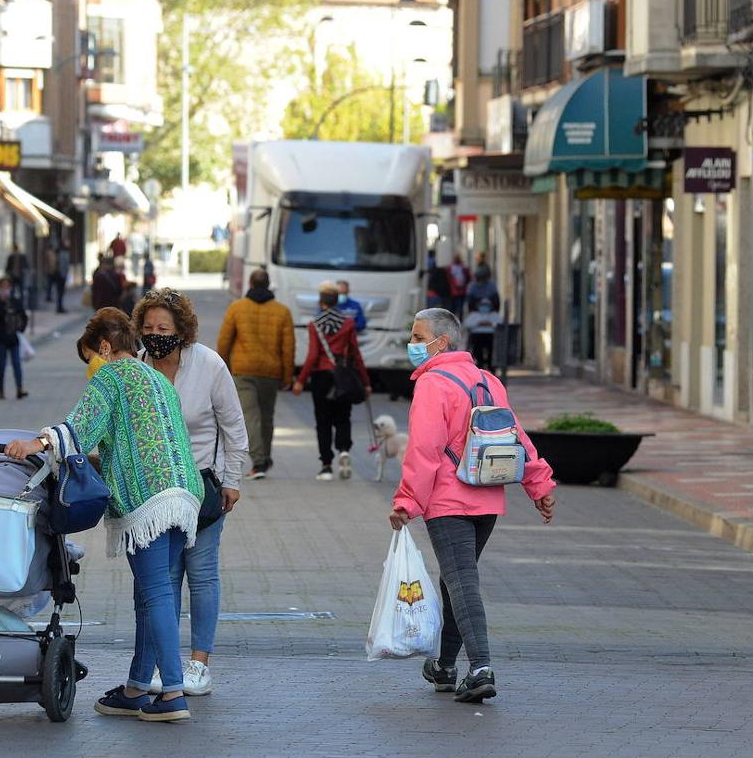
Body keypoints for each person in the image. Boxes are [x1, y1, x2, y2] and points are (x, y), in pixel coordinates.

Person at [5, 308, 204, 723]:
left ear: (106, 347)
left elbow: (76, 427)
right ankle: (136, 687)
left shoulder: (112, 375)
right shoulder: (155, 377)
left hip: (148, 497)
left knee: (156, 594)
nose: (89, 367)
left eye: (89, 356)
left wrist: (34, 443)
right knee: (152, 594)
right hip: (183, 492)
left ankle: (171, 693)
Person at [388, 308, 555, 704]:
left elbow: (424, 450)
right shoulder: (488, 381)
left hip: (448, 500)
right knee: (455, 579)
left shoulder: (432, 384)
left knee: (462, 581)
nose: (411, 344)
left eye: (417, 336)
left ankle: (480, 668)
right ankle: (445, 666)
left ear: (440, 342)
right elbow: (516, 435)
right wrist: (539, 484)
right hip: (487, 499)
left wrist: (407, 501)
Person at [132, 288, 249, 696]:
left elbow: (234, 427)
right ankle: (165, 665)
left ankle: (199, 664)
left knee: (200, 575)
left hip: (201, 487)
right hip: (154, 492)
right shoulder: (137, 367)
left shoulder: (209, 365)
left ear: (182, 330)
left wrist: (232, 479)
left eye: (163, 327)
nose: (155, 334)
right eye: (147, 327)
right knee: (163, 579)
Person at [217, 269, 295, 480]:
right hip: (271, 372)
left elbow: (224, 341)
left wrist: (222, 368)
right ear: (268, 285)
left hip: (243, 370)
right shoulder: (282, 311)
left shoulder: (237, 308)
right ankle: (265, 457)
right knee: (267, 417)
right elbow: (288, 348)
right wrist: (288, 376)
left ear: (250, 283)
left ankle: (259, 461)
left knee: (250, 416)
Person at [293, 282, 371, 481]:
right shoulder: (347, 324)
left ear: (321, 301)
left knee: (323, 421)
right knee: (343, 417)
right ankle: (344, 450)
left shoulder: (315, 324)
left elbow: (312, 356)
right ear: (337, 300)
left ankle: (326, 465)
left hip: (321, 377)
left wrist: (300, 380)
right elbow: (356, 354)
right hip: (343, 375)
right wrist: (366, 381)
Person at [0, 277, 29, 400]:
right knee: (1, 365)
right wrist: (1, 304)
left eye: (7, 287)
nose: (5, 289)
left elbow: (23, 316)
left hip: (13, 338)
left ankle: (19, 389)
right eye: (3, 287)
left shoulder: (15, 301)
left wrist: (21, 329)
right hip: (0, 339)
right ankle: (1, 391)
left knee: (17, 364)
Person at [463, 299, 497, 370]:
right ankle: (480, 363)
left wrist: (491, 324)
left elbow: (500, 324)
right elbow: (466, 324)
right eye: (482, 305)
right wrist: (478, 323)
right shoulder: (474, 315)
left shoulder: (494, 315)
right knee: (477, 348)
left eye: (486, 305)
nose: (484, 307)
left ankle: (490, 365)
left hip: (491, 336)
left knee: (492, 348)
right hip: (477, 336)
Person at [447, 254, 471, 318]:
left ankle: (459, 318)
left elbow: (468, 277)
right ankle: (456, 318)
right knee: (455, 306)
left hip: (460, 290)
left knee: (459, 306)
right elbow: (449, 279)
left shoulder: (462, 268)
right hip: (455, 291)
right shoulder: (451, 268)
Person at [52, 244, 71, 314]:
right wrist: (64, 276)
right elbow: (64, 266)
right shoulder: (64, 255)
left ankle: (59, 307)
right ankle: (59, 307)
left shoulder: (58, 254)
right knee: (60, 292)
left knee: (59, 292)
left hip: (58, 275)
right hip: (61, 276)